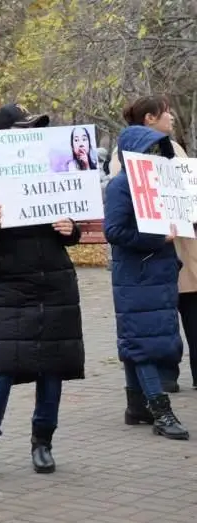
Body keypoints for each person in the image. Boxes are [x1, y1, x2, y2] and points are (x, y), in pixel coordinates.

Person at [0, 104, 85, 482]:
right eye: (24, 129)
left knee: (52, 370)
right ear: (4, 137)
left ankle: (42, 443)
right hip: (8, 287)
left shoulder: (51, 165)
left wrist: (71, 228)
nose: (32, 135)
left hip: (54, 283)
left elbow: (72, 224)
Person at [103, 124, 189, 440]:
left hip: (161, 273)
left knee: (143, 340)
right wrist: (156, 238)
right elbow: (114, 231)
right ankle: (160, 410)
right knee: (141, 344)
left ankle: (135, 406)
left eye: (158, 150)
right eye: (149, 151)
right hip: (136, 276)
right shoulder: (121, 186)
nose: (155, 156)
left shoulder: (163, 182)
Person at [110, 95, 194, 393]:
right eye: (165, 113)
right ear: (149, 119)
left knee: (166, 320)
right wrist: (157, 236)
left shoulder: (169, 155)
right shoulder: (123, 174)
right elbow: (117, 228)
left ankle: (148, 397)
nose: (171, 117)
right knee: (144, 329)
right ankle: (154, 395)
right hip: (148, 260)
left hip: (172, 254)